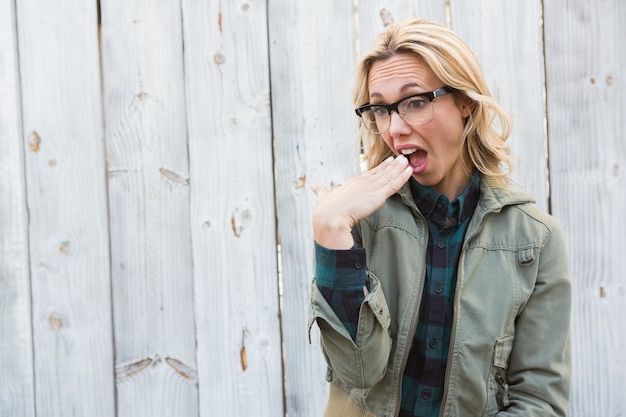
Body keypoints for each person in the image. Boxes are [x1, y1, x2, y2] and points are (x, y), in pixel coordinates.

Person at [308, 19, 571, 417]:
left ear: (465, 102)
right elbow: (358, 372)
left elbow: (538, 401)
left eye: (415, 101)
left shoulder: (535, 240)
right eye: (380, 109)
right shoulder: (357, 222)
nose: (394, 129)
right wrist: (330, 234)